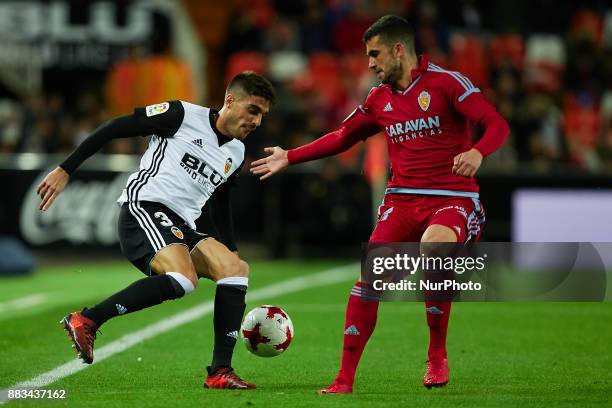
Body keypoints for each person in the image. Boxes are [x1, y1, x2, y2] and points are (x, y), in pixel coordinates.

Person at [250, 15, 509, 393]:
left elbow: (496, 123)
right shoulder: (378, 98)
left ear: (399, 49)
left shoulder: (447, 83)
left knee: (434, 247)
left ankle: (437, 353)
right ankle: (343, 380)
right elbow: (342, 136)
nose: (370, 64)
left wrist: (478, 152)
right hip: (401, 202)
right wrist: (290, 156)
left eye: (375, 54)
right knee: (370, 279)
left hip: (453, 199)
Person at [37, 71, 275, 390]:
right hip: (145, 207)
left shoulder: (237, 152)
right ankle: (88, 319)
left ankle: (220, 370)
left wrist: (229, 247)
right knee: (183, 279)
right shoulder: (182, 115)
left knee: (236, 270)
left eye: (262, 115)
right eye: (253, 110)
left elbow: (220, 201)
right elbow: (116, 127)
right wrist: (66, 169)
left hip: (181, 226)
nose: (257, 122)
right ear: (231, 100)